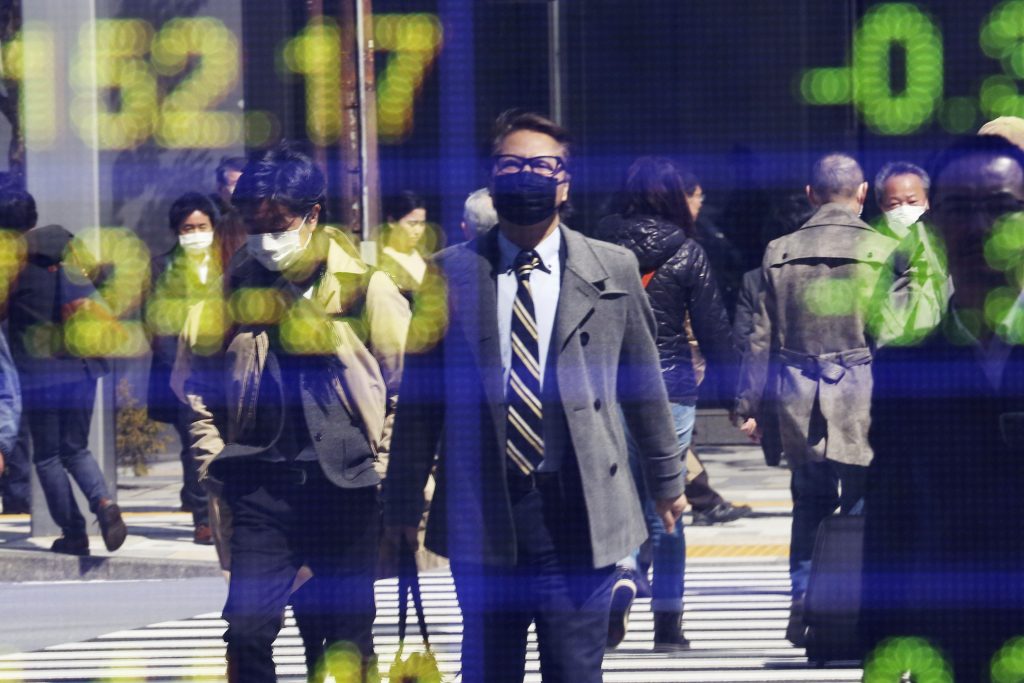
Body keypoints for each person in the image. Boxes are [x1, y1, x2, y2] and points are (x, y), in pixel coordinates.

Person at [382, 110, 687, 683]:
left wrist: (669, 482)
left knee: (574, 671)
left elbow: (643, 386)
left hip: (581, 508)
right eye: (512, 165)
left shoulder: (612, 267)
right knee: (490, 668)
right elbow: (423, 403)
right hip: (485, 511)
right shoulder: (449, 274)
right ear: (492, 179)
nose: (527, 176)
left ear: (565, 181)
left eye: (542, 165)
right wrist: (401, 503)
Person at [179, 143, 409, 682]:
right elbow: (196, 391)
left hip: (347, 486)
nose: (264, 238)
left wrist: (385, 471)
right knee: (246, 629)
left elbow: (407, 391)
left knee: (347, 635)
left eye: (277, 224)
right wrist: (213, 464)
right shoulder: (230, 293)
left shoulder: (365, 288)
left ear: (311, 216)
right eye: (253, 223)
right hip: (260, 485)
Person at [862, 135, 1024, 681]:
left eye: (1002, 208)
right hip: (954, 647)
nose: (980, 227)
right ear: (932, 228)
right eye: (959, 208)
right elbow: (889, 527)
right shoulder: (905, 373)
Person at [734, 153, 897, 647]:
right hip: (862, 397)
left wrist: (748, 404)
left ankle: (804, 602)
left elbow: (759, 337)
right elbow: (891, 334)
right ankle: (854, 603)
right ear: (863, 193)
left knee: (808, 503)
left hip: (798, 396)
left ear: (810, 194)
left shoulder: (778, 251)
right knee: (864, 502)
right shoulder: (884, 250)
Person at [595, 155, 742, 651]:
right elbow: (714, 331)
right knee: (668, 505)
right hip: (671, 390)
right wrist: (738, 397)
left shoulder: (594, 247)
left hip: (605, 389)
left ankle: (621, 576)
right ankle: (668, 625)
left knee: (616, 499)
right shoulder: (687, 252)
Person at [1, 187, 126, 555]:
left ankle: (74, 533)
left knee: (48, 456)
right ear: (33, 216)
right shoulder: (68, 244)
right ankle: (104, 503)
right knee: (76, 448)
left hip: (41, 374)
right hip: (84, 367)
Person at [146, 192, 223, 545]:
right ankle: (202, 518)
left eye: (202, 226)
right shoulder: (162, 267)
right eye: (188, 228)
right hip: (182, 371)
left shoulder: (229, 263)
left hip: (223, 368)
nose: (195, 233)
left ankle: (227, 513)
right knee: (193, 445)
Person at [732, 192, 815, 468]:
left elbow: (747, 341)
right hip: (827, 387)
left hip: (776, 392)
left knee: (805, 483)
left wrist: (749, 404)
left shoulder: (754, 279)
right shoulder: (832, 272)